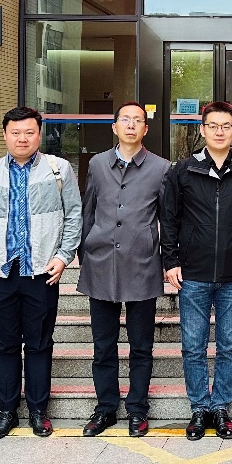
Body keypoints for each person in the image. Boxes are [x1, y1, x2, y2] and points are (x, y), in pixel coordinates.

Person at [0, 105, 82, 441]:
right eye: (15, 132)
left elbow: (74, 214)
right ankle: (6, 411)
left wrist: (63, 257)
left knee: (40, 344)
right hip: (0, 274)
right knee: (4, 346)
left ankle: (39, 411)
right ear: (5, 135)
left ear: (39, 135)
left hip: (41, 273)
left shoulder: (58, 170)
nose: (22, 138)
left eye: (29, 132)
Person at [160, 101, 232, 441]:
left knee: (229, 345)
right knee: (193, 346)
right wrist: (170, 260)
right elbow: (169, 218)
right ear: (202, 130)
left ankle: (220, 407)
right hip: (193, 273)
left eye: (226, 126)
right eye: (213, 126)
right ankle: (198, 408)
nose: (219, 132)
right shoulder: (184, 170)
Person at [78, 102, 170, 439]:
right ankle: (105, 408)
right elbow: (88, 211)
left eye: (138, 120)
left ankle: (137, 409)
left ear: (146, 129)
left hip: (142, 264)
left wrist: (166, 259)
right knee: (103, 345)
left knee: (141, 346)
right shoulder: (97, 164)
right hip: (101, 263)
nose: (131, 125)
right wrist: (84, 251)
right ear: (114, 127)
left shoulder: (161, 168)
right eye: (125, 120)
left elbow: (168, 219)